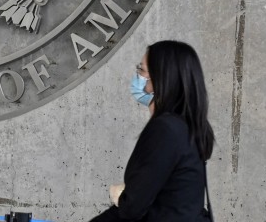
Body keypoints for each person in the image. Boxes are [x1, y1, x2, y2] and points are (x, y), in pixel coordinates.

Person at [89, 40, 215, 222]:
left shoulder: (166, 130)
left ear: (161, 76)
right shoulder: (189, 127)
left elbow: (133, 208)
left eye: (142, 70)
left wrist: (123, 197)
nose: (139, 75)